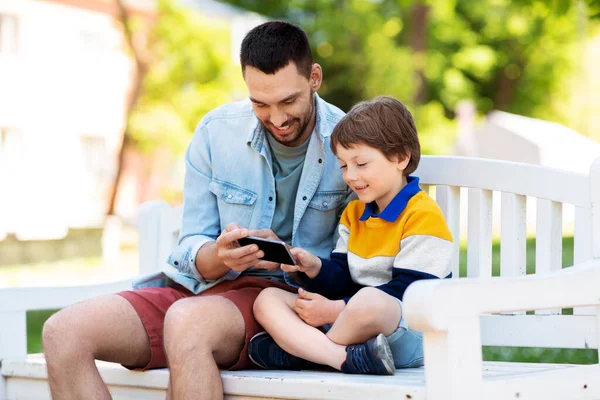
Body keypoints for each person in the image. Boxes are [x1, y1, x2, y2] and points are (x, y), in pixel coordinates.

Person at [42, 21, 355, 399]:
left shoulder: (350, 145)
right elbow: (193, 246)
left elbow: (360, 263)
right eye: (260, 103)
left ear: (314, 78)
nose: (276, 118)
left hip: (281, 307)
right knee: (63, 332)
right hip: (199, 291)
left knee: (186, 322)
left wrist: (294, 262)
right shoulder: (216, 132)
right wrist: (221, 255)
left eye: (288, 101)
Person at [248, 96, 454, 375]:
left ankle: (303, 354)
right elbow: (342, 279)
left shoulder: (423, 215)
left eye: (361, 163)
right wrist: (315, 268)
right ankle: (340, 358)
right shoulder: (354, 213)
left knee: (369, 301)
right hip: (351, 323)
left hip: (411, 334)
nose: (350, 175)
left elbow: (412, 294)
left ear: (400, 158)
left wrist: (335, 311)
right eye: (344, 165)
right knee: (268, 299)